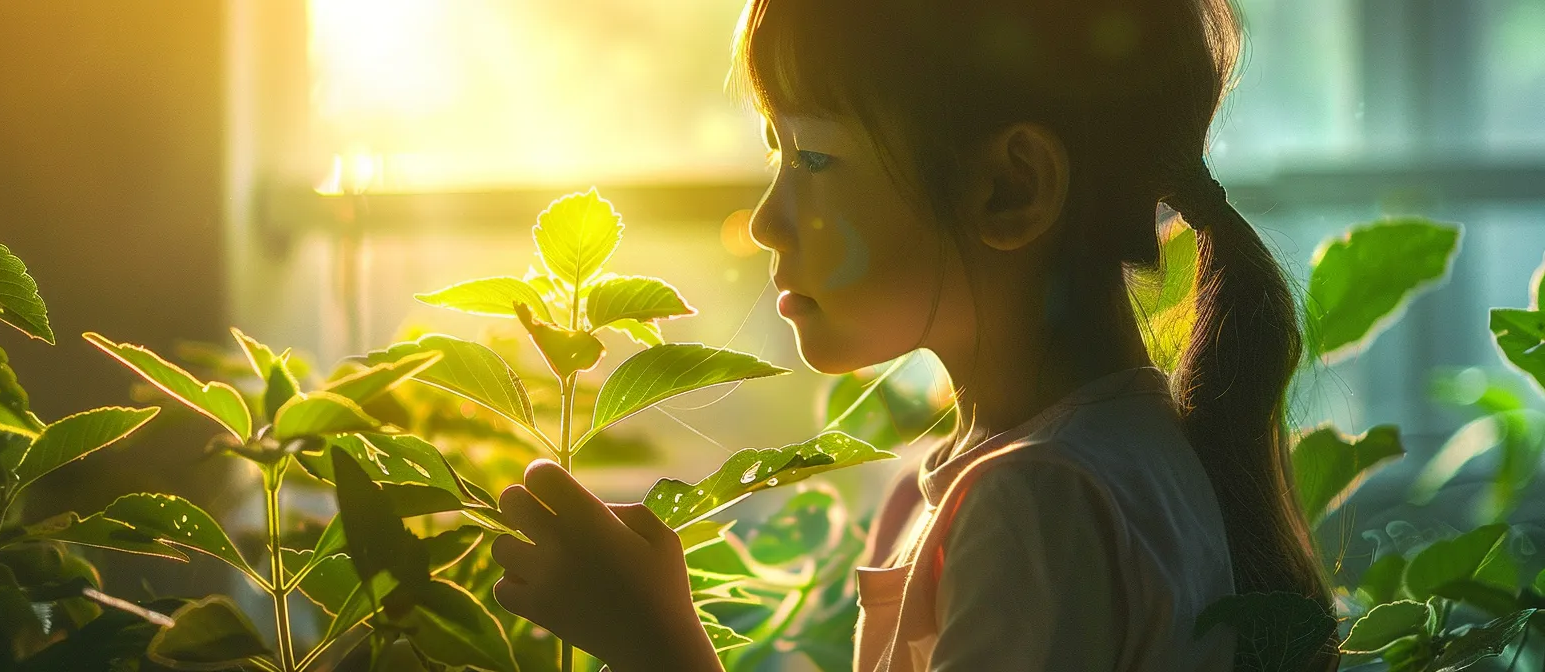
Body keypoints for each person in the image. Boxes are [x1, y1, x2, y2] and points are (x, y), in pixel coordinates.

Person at [487, 0, 1339, 669]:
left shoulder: (1034, 505)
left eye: (815, 161)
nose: (765, 223)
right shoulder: (1123, 456)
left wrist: (654, 643)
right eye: (775, 154)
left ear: (1010, 187)